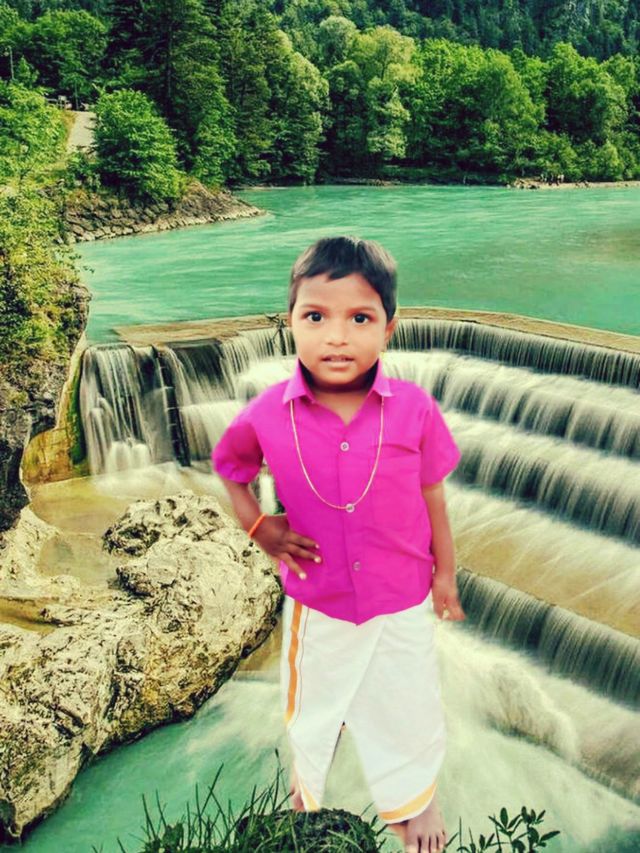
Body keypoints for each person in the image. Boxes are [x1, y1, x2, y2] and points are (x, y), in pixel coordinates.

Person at [211, 236, 465, 853]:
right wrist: (259, 526)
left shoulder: (414, 410)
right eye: (316, 317)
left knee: (408, 698)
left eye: (360, 319)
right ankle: (307, 790)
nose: (337, 337)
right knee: (314, 702)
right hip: (319, 597)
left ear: (389, 328)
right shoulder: (268, 414)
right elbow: (231, 469)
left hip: (402, 591)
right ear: (290, 323)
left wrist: (445, 575)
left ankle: (417, 799)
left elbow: (433, 494)